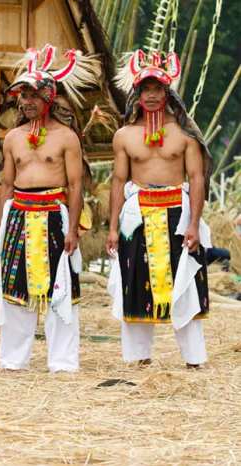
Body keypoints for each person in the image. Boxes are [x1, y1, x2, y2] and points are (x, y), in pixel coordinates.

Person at [0, 44, 98, 373]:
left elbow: (76, 186)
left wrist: (73, 229)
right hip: (18, 214)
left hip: (54, 216)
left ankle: (62, 363)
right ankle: (13, 361)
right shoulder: (13, 137)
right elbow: (5, 185)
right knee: (15, 289)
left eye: (33, 95)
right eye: (22, 95)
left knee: (61, 290)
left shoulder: (66, 137)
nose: (26, 101)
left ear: (48, 97)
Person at [107, 49, 213, 368]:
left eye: (157, 89)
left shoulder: (185, 135)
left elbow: (196, 179)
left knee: (185, 285)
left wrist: (194, 224)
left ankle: (194, 359)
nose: (151, 95)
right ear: (137, 93)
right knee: (134, 281)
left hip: (176, 216)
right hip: (137, 216)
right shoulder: (124, 135)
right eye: (145, 89)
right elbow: (118, 181)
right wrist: (112, 228)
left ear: (167, 93)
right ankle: (138, 358)